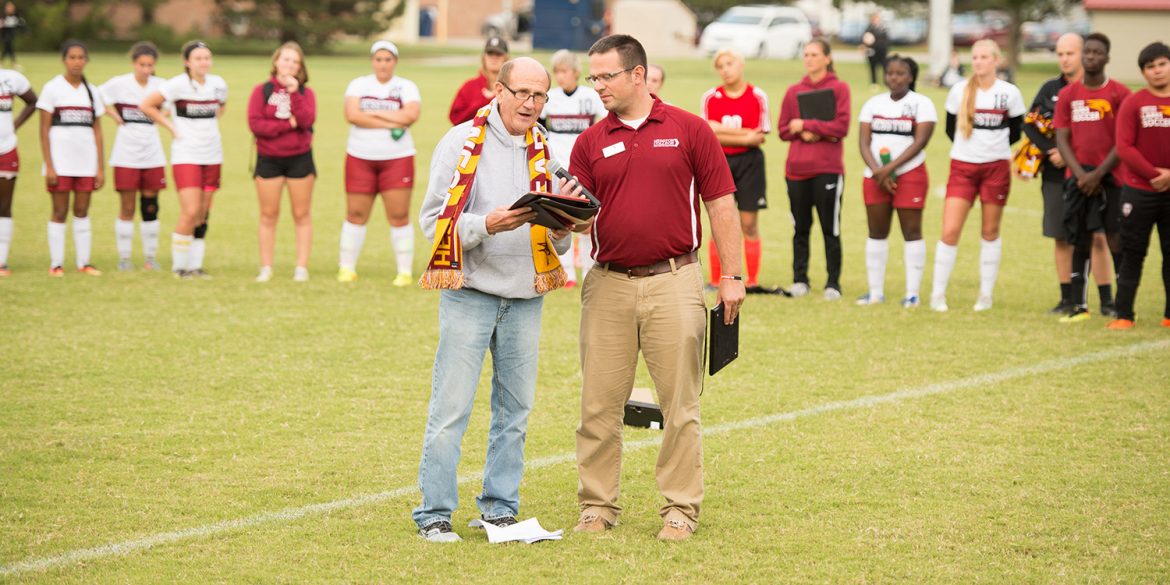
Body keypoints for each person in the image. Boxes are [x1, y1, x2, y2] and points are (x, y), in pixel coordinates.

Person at [570, 34, 744, 542]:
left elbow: (721, 204)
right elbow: (580, 220)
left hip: (676, 280)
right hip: (607, 285)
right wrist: (558, 216)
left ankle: (680, 509)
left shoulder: (690, 129)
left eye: (606, 76)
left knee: (680, 405)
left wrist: (731, 277)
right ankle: (597, 506)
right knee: (598, 405)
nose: (597, 86)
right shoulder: (589, 141)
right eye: (592, 77)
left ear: (638, 74)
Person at [413, 57, 575, 542]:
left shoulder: (547, 147)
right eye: (521, 92)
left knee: (516, 412)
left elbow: (560, 243)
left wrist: (567, 223)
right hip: (470, 295)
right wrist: (487, 224)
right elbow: (430, 224)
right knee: (451, 410)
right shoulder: (460, 142)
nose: (530, 104)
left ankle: (501, 509)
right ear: (498, 90)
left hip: (526, 295)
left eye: (539, 96)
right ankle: (434, 514)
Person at [931, 40, 1025, 312]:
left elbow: (1015, 131)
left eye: (984, 57)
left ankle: (985, 295)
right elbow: (951, 129)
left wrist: (995, 150)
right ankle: (938, 294)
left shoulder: (1009, 93)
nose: (979, 62)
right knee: (949, 231)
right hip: (962, 167)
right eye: (975, 57)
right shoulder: (959, 90)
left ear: (997, 60)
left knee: (990, 231)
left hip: (995, 168)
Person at [1054, 33, 1131, 323]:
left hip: (1112, 179)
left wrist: (1098, 174)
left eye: (1098, 53)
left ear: (1107, 58)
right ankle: (1078, 305)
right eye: (1087, 52)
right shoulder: (1069, 95)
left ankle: (1120, 304)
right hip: (1078, 179)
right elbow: (1062, 137)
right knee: (1080, 238)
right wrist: (1080, 175)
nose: (1091, 57)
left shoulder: (1120, 94)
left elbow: (1124, 141)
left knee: (1114, 236)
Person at [141, 40, 227, 279]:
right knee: (190, 211)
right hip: (187, 155)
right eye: (198, 58)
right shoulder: (177, 85)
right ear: (187, 62)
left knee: (203, 213)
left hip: (213, 155)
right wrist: (171, 126)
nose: (204, 62)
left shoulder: (218, 84)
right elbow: (147, 105)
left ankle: (195, 265)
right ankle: (180, 267)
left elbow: (221, 108)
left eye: (207, 57)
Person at [856, 55, 936, 307]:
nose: (894, 77)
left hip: (910, 173)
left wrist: (889, 169)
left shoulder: (922, 104)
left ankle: (912, 294)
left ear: (911, 76)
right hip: (875, 176)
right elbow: (863, 142)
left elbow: (920, 141)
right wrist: (877, 171)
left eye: (900, 73)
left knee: (911, 231)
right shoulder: (873, 103)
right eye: (890, 73)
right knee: (876, 232)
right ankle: (875, 292)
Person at [338, 41, 420, 285]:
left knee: (398, 214)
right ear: (372, 61)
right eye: (378, 59)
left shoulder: (406, 86)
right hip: (360, 156)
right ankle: (346, 267)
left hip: (397, 158)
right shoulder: (358, 84)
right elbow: (352, 115)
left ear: (394, 61)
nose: (383, 64)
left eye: (388, 59)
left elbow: (411, 115)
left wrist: (370, 115)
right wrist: (392, 121)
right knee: (355, 213)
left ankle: (404, 271)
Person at [778, 39, 851, 300]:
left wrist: (809, 126)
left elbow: (841, 127)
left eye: (814, 54)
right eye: (806, 54)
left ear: (827, 58)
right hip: (796, 171)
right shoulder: (793, 90)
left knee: (830, 228)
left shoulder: (839, 88)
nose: (809, 59)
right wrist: (800, 129)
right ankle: (800, 280)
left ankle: (833, 283)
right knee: (800, 228)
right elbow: (784, 130)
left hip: (828, 170)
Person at [701, 48, 774, 293]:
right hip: (720, 162)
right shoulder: (711, 97)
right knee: (719, 220)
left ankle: (751, 280)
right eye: (721, 66)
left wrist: (724, 131)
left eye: (729, 64)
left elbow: (758, 137)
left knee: (749, 223)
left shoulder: (757, 96)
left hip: (750, 164)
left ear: (741, 65)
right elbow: (708, 132)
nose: (725, 70)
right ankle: (714, 279)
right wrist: (743, 134)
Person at [1109, 41, 1170, 330]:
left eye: (1162, 64)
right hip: (1139, 192)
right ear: (1143, 73)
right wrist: (1155, 174)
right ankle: (1124, 315)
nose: (1157, 71)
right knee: (1132, 253)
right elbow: (1124, 147)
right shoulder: (1134, 102)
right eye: (1150, 67)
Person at [1023, 33, 1083, 315]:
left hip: (1089, 175)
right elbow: (1030, 124)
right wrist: (1051, 150)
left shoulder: (1094, 88)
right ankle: (1067, 298)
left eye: (1069, 53)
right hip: (1055, 175)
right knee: (1060, 236)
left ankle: (1107, 298)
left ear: (1083, 54)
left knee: (1095, 238)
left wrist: (1072, 154)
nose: (1064, 59)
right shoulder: (1049, 89)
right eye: (1060, 54)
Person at [248, 41, 316, 283]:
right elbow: (257, 125)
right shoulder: (262, 91)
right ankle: (266, 266)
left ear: (300, 68)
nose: (290, 65)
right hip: (269, 159)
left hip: (300, 158)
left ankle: (301, 267)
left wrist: (294, 92)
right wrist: (287, 125)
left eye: (295, 61)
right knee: (268, 214)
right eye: (286, 59)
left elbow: (307, 119)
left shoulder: (306, 93)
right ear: (276, 61)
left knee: (301, 214)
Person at [37, 40, 104, 277]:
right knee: (59, 211)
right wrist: (50, 165)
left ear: (86, 60)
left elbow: (97, 131)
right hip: (61, 162)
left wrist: (100, 168)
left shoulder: (92, 91)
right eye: (72, 57)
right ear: (64, 60)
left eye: (81, 57)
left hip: (86, 162)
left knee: (82, 210)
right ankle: (56, 264)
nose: (77, 62)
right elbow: (44, 130)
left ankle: (84, 262)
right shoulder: (52, 88)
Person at [100, 41, 166, 272]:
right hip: (126, 154)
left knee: (150, 206)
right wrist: (112, 114)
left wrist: (163, 114)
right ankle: (125, 258)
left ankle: (150, 258)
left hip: (152, 153)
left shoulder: (161, 85)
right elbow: (96, 96)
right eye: (142, 64)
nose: (146, 69)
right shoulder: (119, 84)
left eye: (150, 65)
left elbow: (173, 105)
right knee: (127, 207)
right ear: (133, 63)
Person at [542, 49, 604, 288]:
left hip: (585, 165)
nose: (560, 77)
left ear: (577, 72)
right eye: (556, 71)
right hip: (559, 166)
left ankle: (589, 269)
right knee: (562, 218)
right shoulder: (550, 97)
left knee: (587, 221)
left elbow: (605, 122)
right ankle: (566, 273)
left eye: (565, 71)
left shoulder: (590, 96)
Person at [0, 53, 33, 276]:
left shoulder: (11, 78)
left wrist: (14, 126)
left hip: (6, 148)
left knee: (3, 206)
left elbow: (33, 101)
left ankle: (1, 261)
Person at [448, 36, 508, 126]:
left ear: (506, 58)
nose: (494, 58)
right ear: (484, 57)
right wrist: (486, 101)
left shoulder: (512, 88)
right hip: (473, 137)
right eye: (490, 53)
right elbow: (455, 119)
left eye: (498, 54)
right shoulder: (469, 86)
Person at [861, 12, 889, 88]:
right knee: (872, 67)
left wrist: (886, 49)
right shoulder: (869, 28)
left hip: (882, 51)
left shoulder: (883, 28)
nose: (876, 20)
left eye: (877, 19)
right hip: (872, 51)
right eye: (874, 19)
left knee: (885, 67)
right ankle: (874, 83)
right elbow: (864, 39)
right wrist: (864, 47)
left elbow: (886, 40)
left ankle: (886, 82)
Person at [0, 2, 23, 69]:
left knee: (8, 48)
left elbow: (20, 24)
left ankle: (5, 63)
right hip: (5, 34)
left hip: (12, 34)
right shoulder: (3, 16)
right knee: (8, 47)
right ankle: (13, 63)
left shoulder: (15, 16)